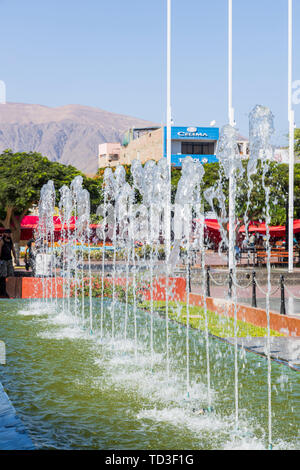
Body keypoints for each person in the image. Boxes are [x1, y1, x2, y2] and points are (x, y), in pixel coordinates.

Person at [0, 229, 18, 298]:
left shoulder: (10, 241)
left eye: (10, 233)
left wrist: (15, 258)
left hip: (9, 260)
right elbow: (0, 249)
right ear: (4, 234)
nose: (9, 235)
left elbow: (13, 249)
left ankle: (9, 290)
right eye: (8, 233)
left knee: (10, 274)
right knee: (3, 275)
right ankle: (3, 291)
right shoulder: (2, 241)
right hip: (3, 260)